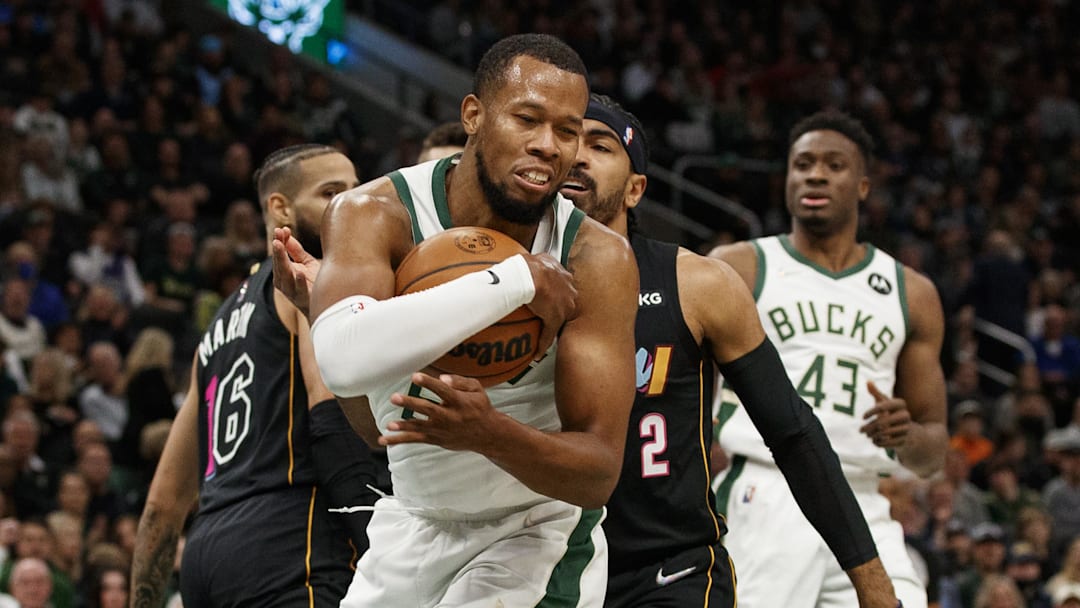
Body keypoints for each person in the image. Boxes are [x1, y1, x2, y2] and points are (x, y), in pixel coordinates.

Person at [273, 33, 638, 607]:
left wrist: (490, 434)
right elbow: (356, 389)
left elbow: (597, 473)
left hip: (534, 533)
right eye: (527, 119)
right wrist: (513, 282)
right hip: (411, 521)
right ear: (473, 115)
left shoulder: (595, 257)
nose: (548, 146)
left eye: (567, 131)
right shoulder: (375, 213)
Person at [558, 93, 900, 607]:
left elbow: (793, 433)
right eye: (568, 139)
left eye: (600, 146)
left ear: (635, 189)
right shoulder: (501, 280)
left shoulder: (696, 283)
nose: (578, 156)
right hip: (542, 563)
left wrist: (872, 585)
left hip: (665, 569)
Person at [711, 110, 949, 608]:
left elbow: (932, 452)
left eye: (833, 165)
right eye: (802, 164)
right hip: (769, 491)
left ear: (863, 186)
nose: (815, 175)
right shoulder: (738, 267)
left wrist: (906, 435)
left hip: (864, 498)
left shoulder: (912, 293)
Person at [131, 144, 380, 608]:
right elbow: (330, 416)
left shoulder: (215, 330)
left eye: (355, 189)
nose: (351, 203)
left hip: (208, 554)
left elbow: (162, 506)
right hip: (290, 542)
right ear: (280, 208)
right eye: (331, 192)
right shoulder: (310, 279)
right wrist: (377, 539)